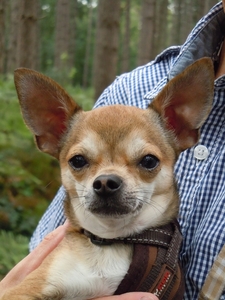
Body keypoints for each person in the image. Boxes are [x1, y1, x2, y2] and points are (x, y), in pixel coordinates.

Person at [1, 1, 225, 299]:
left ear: (182, 127)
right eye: (80, 162)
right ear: (51, 135)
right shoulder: (126, 88)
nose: (105, 180)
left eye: (146, 162)